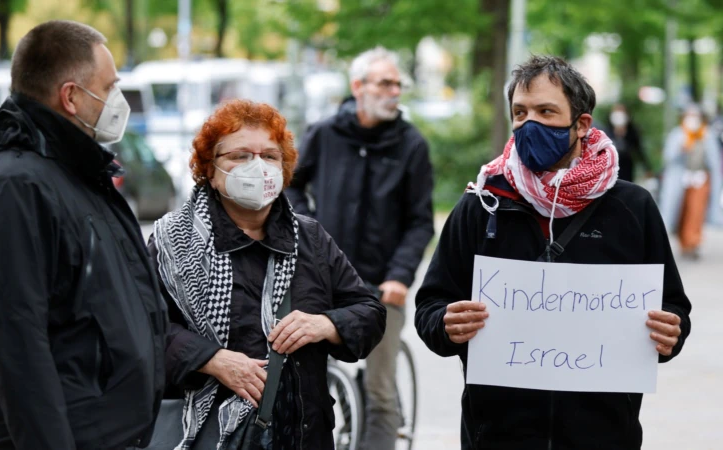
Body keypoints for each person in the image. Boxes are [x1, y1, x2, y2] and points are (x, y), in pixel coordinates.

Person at [415, 56, 691, 450]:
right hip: (497, 437)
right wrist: (445, 323)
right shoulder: (482, 204)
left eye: (546, 111)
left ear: (581, 124)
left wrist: (670, 332)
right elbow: (430, 305)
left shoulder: (632, 207)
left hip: (604, 436)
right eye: (520, 112)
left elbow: (674, 307)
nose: (530, 124)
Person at [0, 21, 167, 450]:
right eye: (109, 88)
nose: (117, 101)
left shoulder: (75, 171)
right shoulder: (14, 187)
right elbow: (16, 350)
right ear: (70, 97)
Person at [148, 99, 386, 449]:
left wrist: (328, 325)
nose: (257, 166)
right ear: (210, 171)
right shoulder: (172, 241)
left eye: (270, 156)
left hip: (302, 434)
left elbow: (369, 311)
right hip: (209, 436)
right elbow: (142, 328)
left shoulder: (310, 238)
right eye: (240, 156)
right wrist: (210, 359)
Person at [286, 46, 434, 450]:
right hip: (324, 280)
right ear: (358, 87)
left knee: (381, 389)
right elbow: (292, 183)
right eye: (385, 83)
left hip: (383, 285)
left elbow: (420, 221)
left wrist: (400, 277)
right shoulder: (325, 133)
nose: (394, 92)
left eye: (397, 85)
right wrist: (305, 226)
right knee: (312, 381)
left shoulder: (412, 145)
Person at [658, 105, 723, 259]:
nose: (692, 119)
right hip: (680, 180)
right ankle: (684, 243)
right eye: (690, 115)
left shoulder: (707, 135)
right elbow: (667, 158)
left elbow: (713, 161)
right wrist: (681, 149)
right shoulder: (677, 135)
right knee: (681, 211)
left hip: (701, 179)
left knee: (696, 212)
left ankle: (694, 242)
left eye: (695, 115)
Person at [602, 102, 651, 182]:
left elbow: (639, 150)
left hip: (627, 167)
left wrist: (647, 168)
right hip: (610, 168)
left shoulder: (632, 132)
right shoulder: (606, 131)